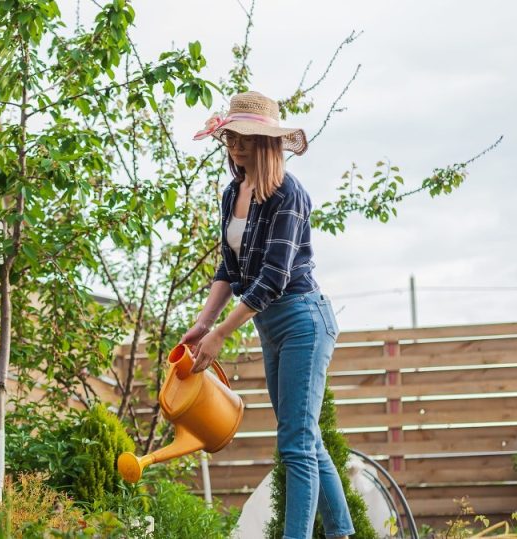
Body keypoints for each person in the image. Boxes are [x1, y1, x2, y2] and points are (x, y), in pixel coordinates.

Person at [181, 91, 355, 539]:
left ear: (268, 143)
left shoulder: (289, 195)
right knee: (307, 439)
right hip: (269, 324)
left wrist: (220, 333)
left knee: (295, 444)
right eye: (231, 138)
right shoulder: (233, 192)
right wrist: (204, 322)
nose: (235, 148)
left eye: (245, 140)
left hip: (302, 320)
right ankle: (341, 532)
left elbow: (274, 277)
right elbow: (229, 266)